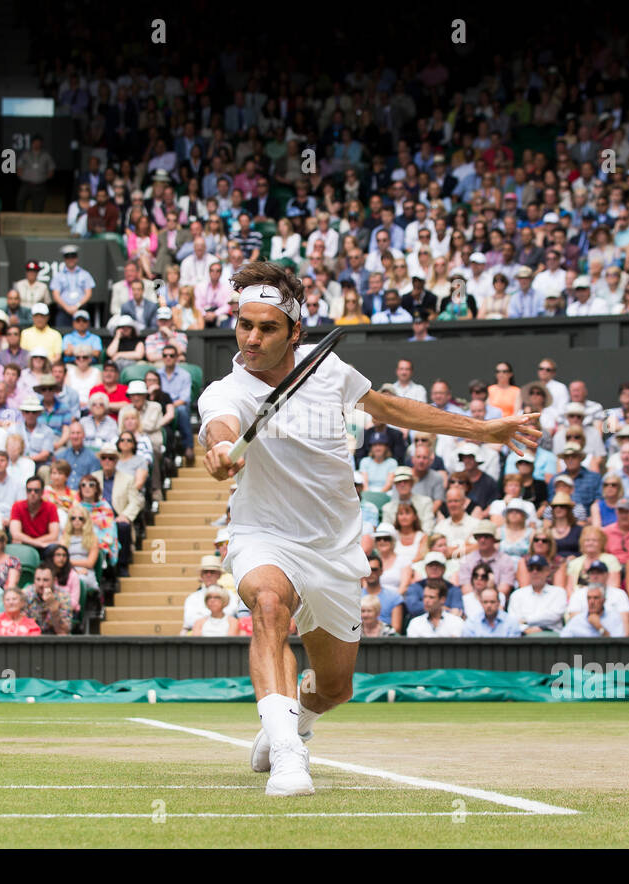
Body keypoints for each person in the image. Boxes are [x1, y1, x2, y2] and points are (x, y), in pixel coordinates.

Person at [199, 262, 538, 795]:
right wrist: (220, 451)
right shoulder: (225, 391)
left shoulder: (328, 371)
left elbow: (389, 407)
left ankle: (294, 719)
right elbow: (220, 431)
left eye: (267, 327)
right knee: (268, 606)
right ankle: (289, 754)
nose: (252, 337)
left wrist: (483, 430)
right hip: (264, 535)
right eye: (245, 325)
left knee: (335, 687)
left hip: (333, 549)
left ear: (294, 331)